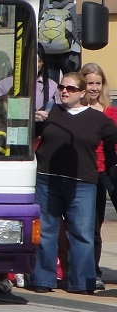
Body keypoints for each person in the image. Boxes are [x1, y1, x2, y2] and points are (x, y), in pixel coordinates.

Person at [31, 72, 117, 294]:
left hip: (82, 183)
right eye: (61, 87)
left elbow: (113, 140)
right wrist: (35, 122)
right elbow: (28, 137)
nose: (64, 92)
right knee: (46, 232)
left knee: (82, 234)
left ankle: (82, 282)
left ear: (82, 93)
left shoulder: (98, 119)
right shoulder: (50, 112)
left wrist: (111, 166)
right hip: (48, 180)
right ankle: (43, 279)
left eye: (70, 88)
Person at [80, 63, 117, 292]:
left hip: (107, 172)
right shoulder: (77, 110)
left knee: (97, 224)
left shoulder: (110, 112)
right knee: (89, 226)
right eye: (89, 83)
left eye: (97, 83)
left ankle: (94, 271)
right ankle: (90, 272)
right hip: (85, 172)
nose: (94, 88)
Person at [39, 0, 81, 82]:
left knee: (51, 83)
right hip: (69, 54)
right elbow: (78, 30)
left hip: (48, 51)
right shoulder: (75, 9)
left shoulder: (48, 8)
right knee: (72, 82)